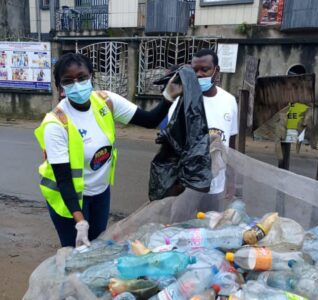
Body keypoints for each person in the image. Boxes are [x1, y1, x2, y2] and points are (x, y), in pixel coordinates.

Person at [35, 53, 180, 248]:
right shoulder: (55, 124)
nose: (77, 85)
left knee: (98, 249)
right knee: (76, 258)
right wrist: (79, 221)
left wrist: (169, 96)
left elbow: (149, 120)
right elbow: (64, 180)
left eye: (82, 77)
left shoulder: (106, 101)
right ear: (61, 88)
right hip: (69, 200)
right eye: (68, 81)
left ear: (91, 77)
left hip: (100, 193)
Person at [166, 49, 238, 214]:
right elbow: (171, 147)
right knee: (180, 229)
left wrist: (231, 182)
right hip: (186, 185)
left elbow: (231, 146)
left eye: (204, 69)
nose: (198, 75)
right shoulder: (180, 103)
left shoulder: (229, 101)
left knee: (207, 231)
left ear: (216, 71)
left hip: (215, 185)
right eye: (194, 70)